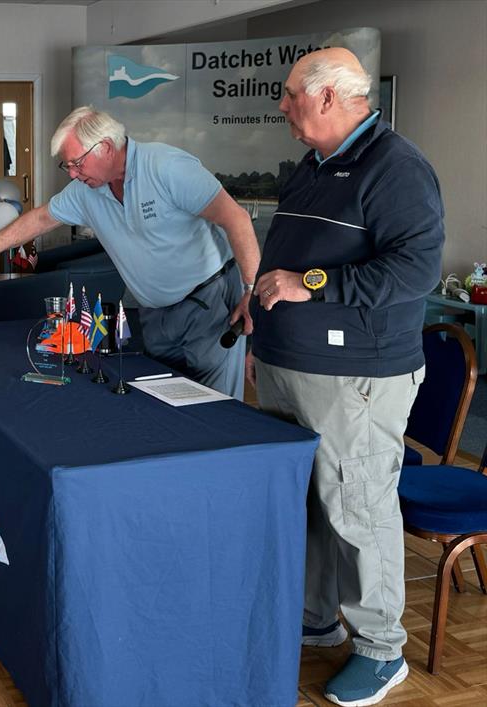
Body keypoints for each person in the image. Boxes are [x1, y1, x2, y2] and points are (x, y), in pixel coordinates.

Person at [247, 48, 444, 706]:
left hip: (355, 376)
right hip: (288, 366)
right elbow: (287, 254)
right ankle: (316, 615)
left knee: (358, 508)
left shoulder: (398, 167)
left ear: (327, 97)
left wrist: (310, 284)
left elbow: (413, 272)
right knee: (309, 503)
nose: (282, 106)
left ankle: (382, 649)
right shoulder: (313, 163)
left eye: (289, 94)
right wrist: (258, 306)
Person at [0, 107, 260, 399]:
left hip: (209, 304)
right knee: (167, 408)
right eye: (66, 165)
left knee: (216, 411)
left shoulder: (167, 167)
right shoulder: (86, 191)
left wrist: (250, 291)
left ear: (105, 147)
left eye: (76, 163)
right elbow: (41, 218)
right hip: (155, 314)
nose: (71, 173)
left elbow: (237, 218)